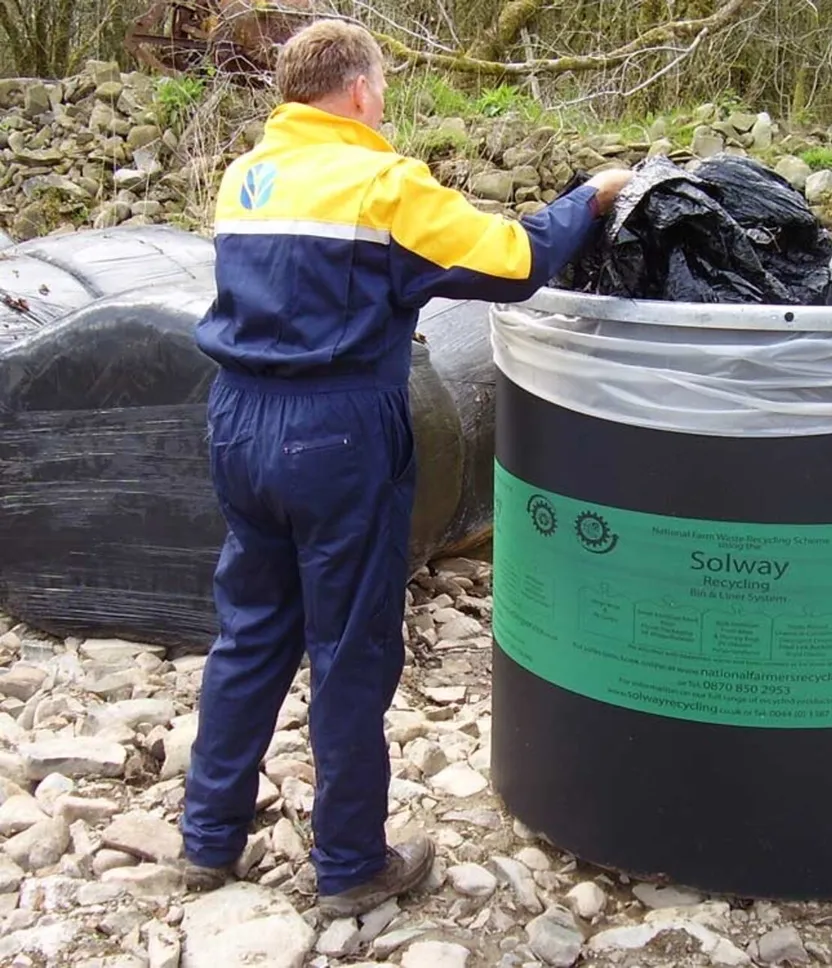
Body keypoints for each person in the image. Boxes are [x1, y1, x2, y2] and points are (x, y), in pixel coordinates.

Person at [178, 18, 633, 919]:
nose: (384, 103)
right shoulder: (382, 183)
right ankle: (350, 862)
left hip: (236, 421)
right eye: (380, 88)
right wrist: (591, 198)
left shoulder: (247, 177)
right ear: (356, 91)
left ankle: (207, 839)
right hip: (334, 432)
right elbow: (514, 263)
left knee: (251, 630)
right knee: (350, 648)